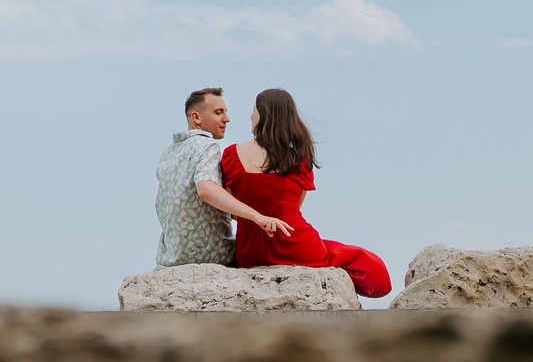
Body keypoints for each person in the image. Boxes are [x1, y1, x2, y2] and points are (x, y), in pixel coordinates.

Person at [218, 87, 391, 298]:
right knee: (364, 262)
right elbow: (295, 208)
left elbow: (232, 210)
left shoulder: (231, 155)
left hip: (249, 252)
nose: (251, 115)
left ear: (263, 114)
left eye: (254, 109)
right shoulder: (298, 158)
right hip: (296, 246)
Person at [155, 86, 292, 267]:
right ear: (196, 117)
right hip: (211, 255)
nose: (226, 119)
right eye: (218, 113)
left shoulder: (168, 153)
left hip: (170, 259)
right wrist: (257, 216)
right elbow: (205, 189)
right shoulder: (207, 145)